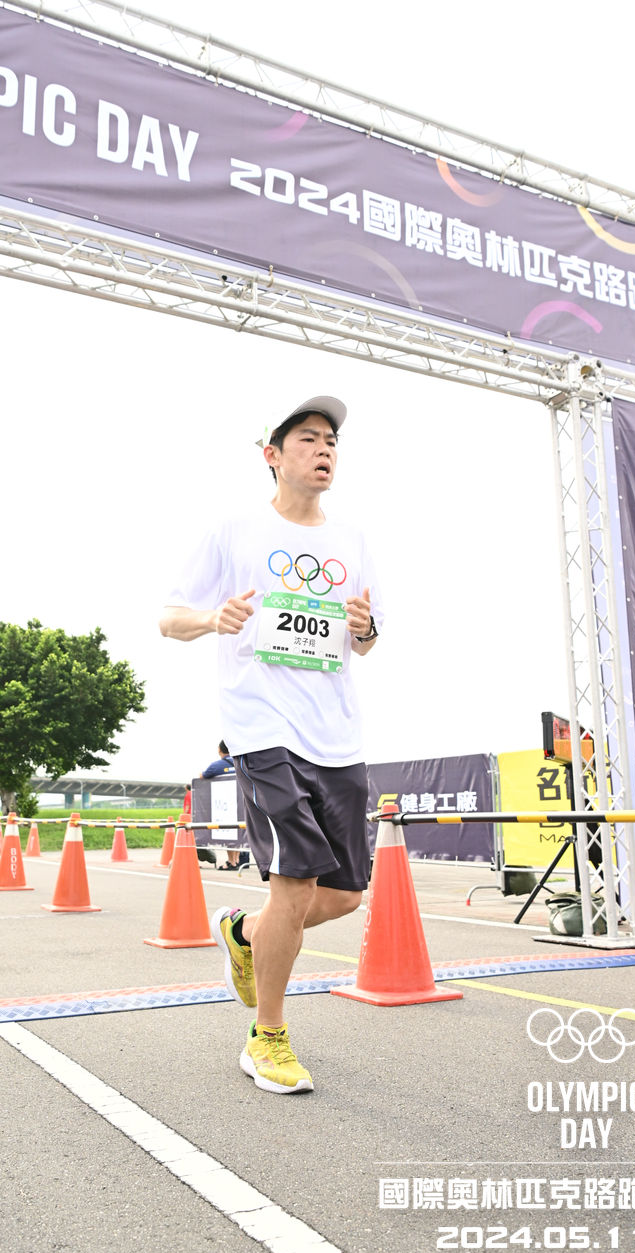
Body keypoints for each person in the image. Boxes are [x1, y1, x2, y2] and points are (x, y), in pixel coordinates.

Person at [160, 395, 381, 1094]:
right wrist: (212, 618)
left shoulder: (352, 540)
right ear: (273, 455)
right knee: (296, 882)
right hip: (261, 729)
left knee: (343, 896)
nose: (324, 450)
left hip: (336, 735)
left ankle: (245, 933)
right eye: (308, 439)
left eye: (331, 442)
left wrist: (365, 628)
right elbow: (168, 618)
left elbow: (367, 640)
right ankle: (268, 1038)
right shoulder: (234, 530)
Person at [200, 741, 240, 870]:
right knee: (239, 830)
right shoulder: (241, 763)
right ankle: (236, 860)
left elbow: (202, 776)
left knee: (229, 831)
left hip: (225, 805)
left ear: (219, 750)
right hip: (243, 804)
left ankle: (231, 862)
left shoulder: (216, 766)